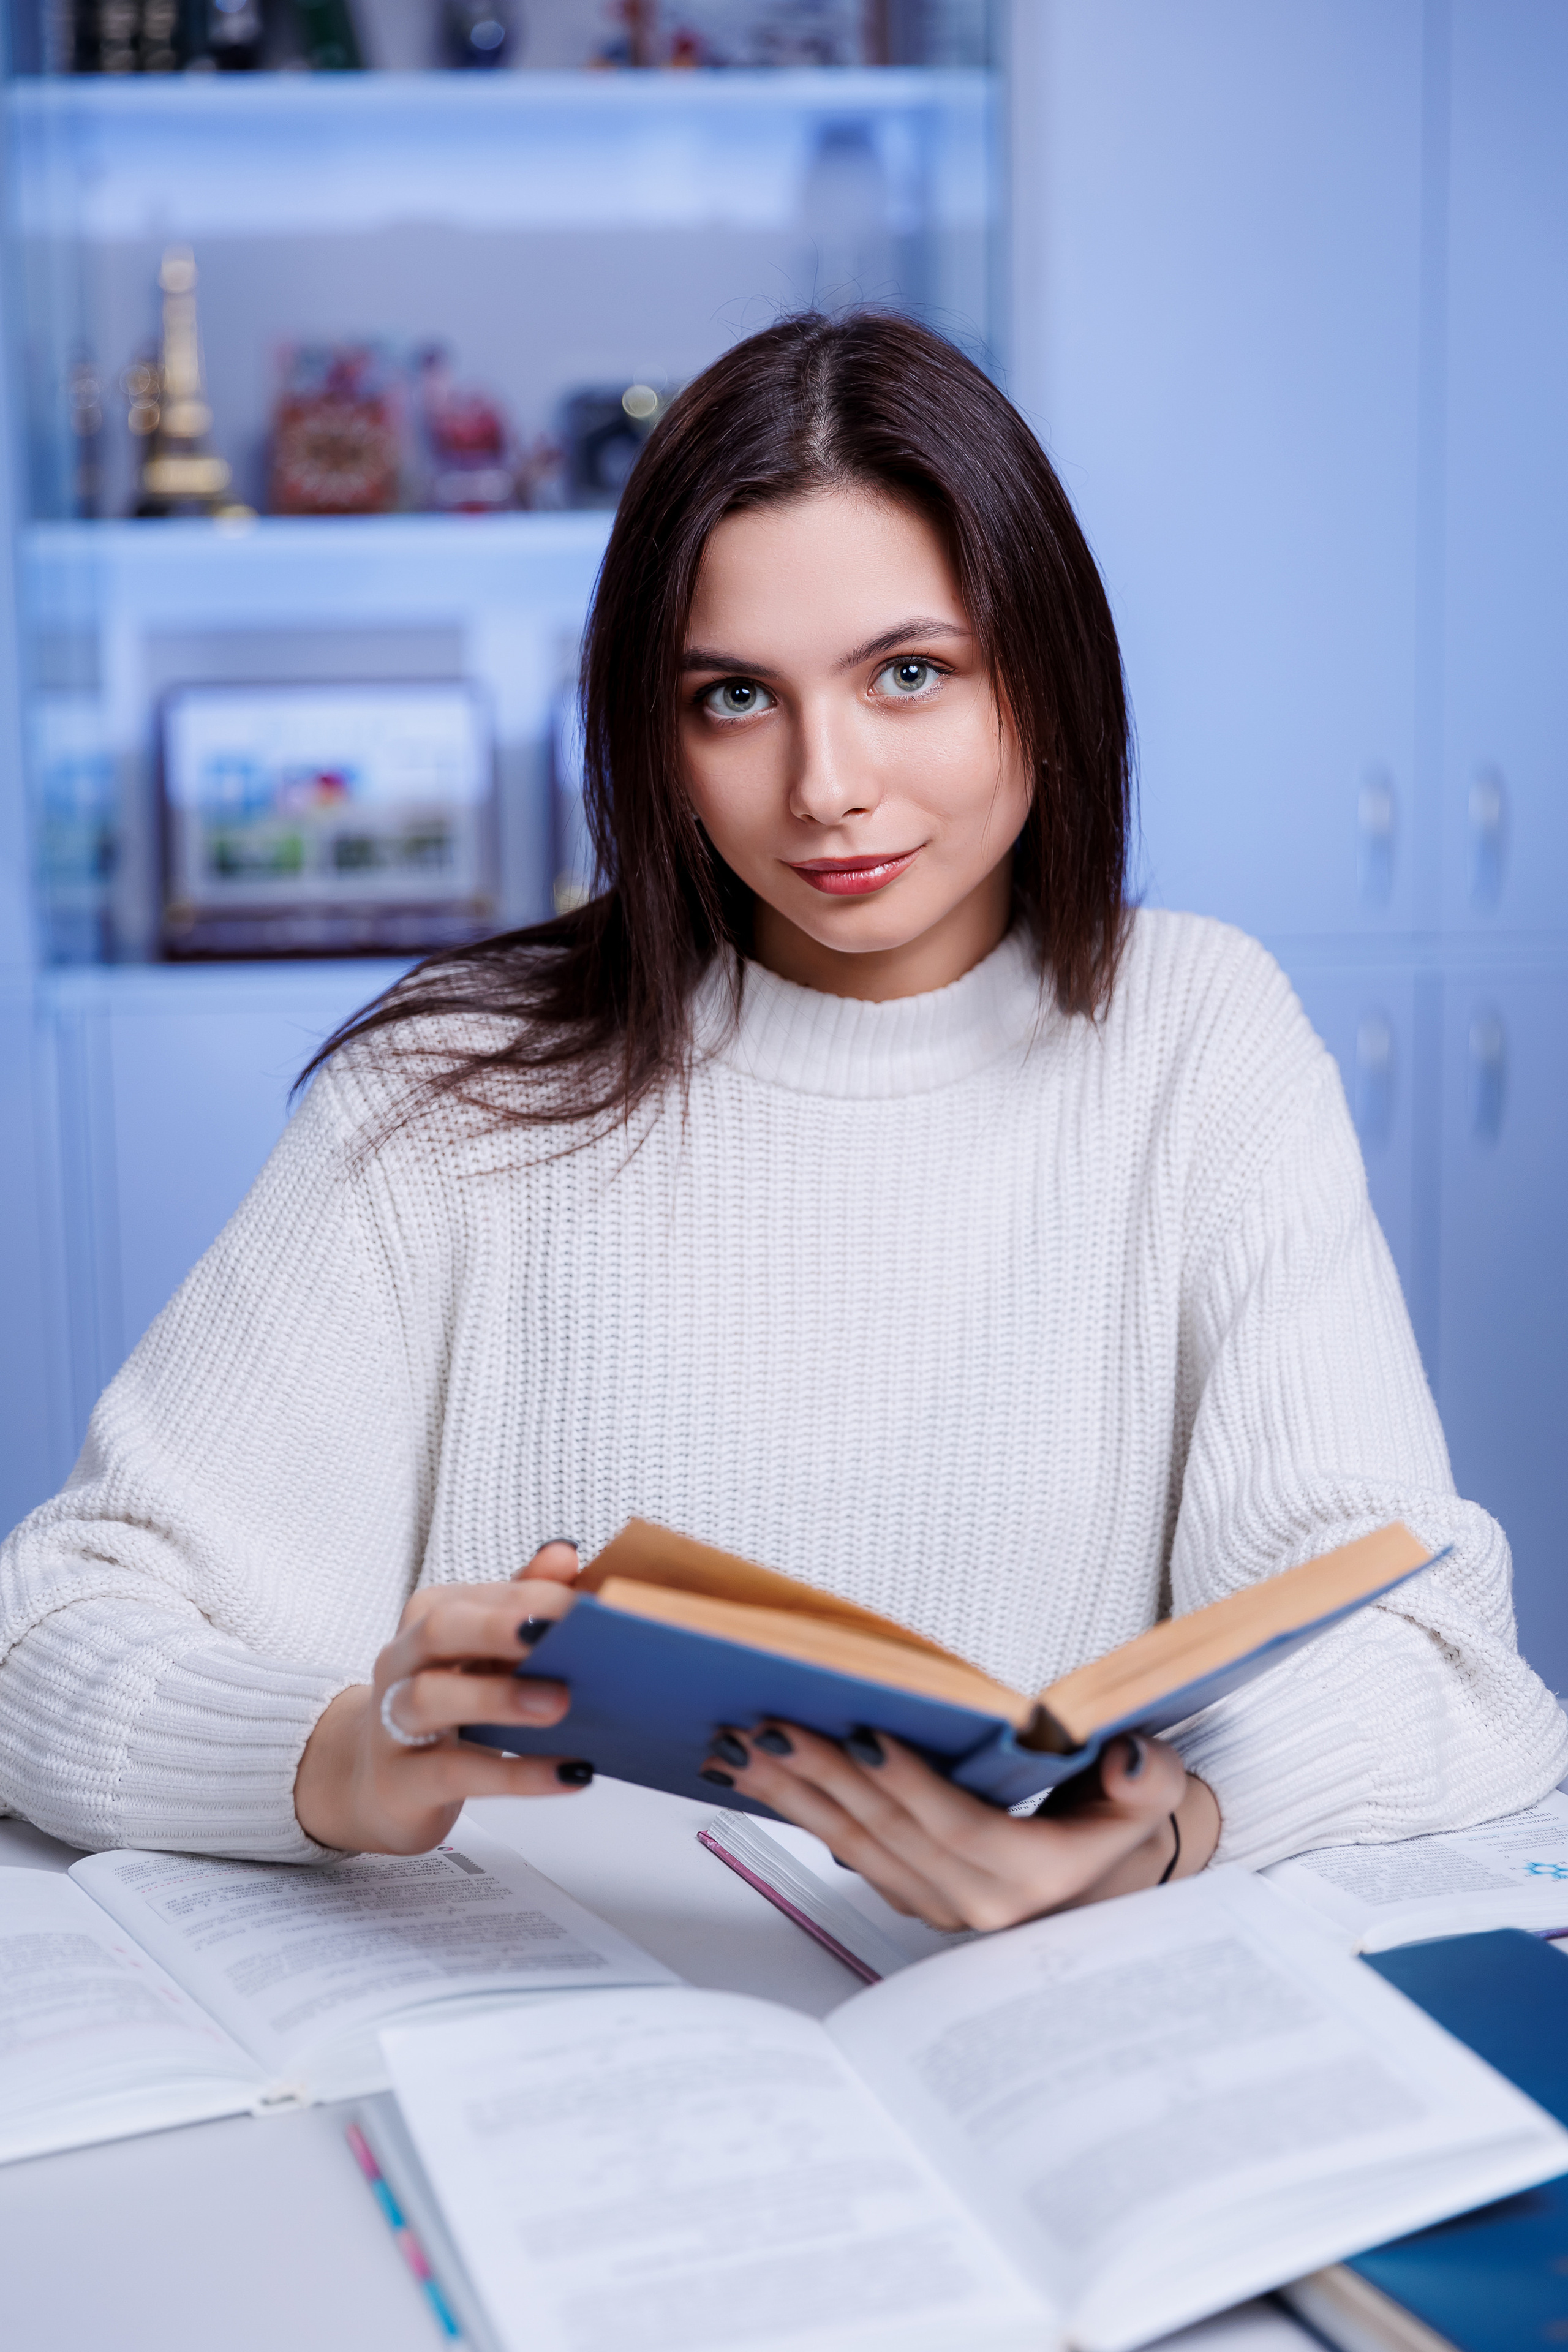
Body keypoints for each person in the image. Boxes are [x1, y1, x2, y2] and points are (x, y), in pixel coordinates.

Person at [1, 314, 1562, 1931]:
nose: (828, 785)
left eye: (910, 674)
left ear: (1047, 667)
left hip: (1044, 2038)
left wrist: (1155, 1831)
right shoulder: (449, 1087)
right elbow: (52, 1630)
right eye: (737, 697)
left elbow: (1433, 1657)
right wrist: (339, 1755)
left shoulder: (1198, 1039)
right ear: (650, 731)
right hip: (549, 2047)